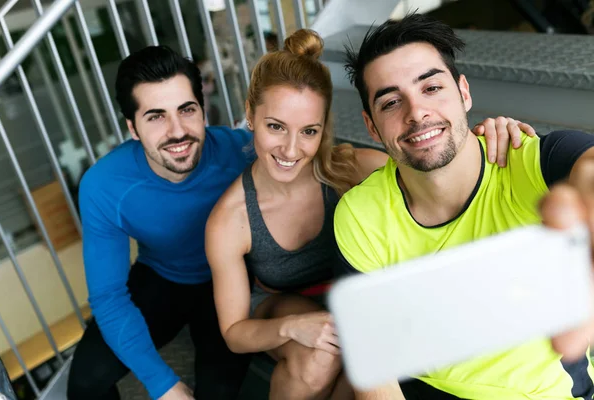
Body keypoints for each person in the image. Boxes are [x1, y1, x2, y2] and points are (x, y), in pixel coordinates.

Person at [205, 29, 537, 400]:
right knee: (319, 355)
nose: (291, 148)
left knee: (368, 371)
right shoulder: (230, 218)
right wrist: (292, 327)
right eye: (275, 127)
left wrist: (493, 130)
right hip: (282, 306)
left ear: (324, 127)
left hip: (360, 301)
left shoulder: (361, 170)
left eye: (309, 131)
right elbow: (234, 333)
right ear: (250, 115)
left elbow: (436, 166)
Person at [334, 13, 594, 400]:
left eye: (431, 87)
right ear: (371, 127)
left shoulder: (537, 163)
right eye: (390, 102)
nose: (416, 112)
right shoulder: (360, 215)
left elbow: (586, 167)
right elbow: (378, 370)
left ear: (464, 92)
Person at [67, 46, 252, 400]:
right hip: (162, 277)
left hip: (230, 280)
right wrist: (161, 383)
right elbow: (108, 297)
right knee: (86, 382)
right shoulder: (104, 185)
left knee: (219, 392)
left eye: (187, 110)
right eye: (155, 117)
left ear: (202, 109)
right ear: (132, 128)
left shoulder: (244, 153)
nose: (177, 131)